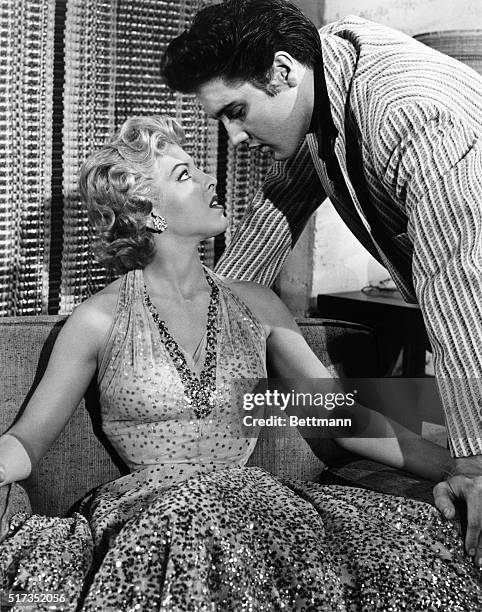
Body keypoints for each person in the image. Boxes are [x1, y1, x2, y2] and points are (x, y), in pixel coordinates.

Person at [0, 115, 480, 610]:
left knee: (412, 555)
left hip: (253, 507)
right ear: (148, 212)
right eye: (185, 175)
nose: (210, 179)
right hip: (156, 519)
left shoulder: (257, 304)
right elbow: (26, 441)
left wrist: (457, 466)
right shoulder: (97, 320)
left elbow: (340, 416)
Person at [161, 0, 482, 554]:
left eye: (236, 111)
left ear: (282, 71)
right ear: (147, 213)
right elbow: (280, 203)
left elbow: (457, 278)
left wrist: (470, 461)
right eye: (186, 172)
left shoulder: (410, 112)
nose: (230, 145)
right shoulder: (322, 86)